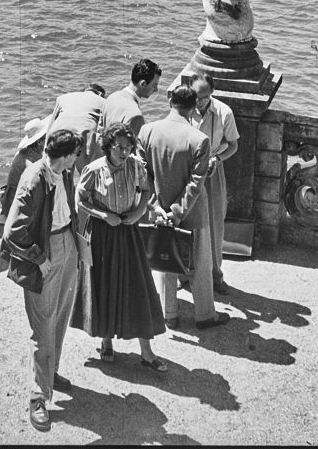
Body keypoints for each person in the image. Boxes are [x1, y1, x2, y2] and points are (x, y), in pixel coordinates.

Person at [0, 128, 82, 433]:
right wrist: (38, 257)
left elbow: (66, 210)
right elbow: (13, 232)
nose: (78, 159)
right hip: (45, 253)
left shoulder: (63, 173)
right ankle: (38, 396)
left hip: (66, 246)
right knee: (43, 326)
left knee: (59, 316)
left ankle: (50, 373)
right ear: (65, 154)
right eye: (75, 154)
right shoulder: (35, 177)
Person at [71, 122, 166, 370]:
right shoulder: (93, 170)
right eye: (119, 147)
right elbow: (80, 201)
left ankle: (146, 351)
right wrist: (103, 216)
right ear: (108, 146)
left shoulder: (136, 166)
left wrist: (139, 211)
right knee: (104, 285)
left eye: (128, 147)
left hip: (128, 230)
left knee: (138, 286)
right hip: (102, 233)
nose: (124, 152)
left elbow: (146, 191)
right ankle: (106, 341)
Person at [138, 85, 226, 330]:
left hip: (159, 211)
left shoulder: (147, 132)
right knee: (200, 263)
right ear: (193, 106)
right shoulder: (199, 139)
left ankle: (170, 314)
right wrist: (177, 213)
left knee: (164, 261)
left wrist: (158, 209)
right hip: (193, 213)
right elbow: (195, 184)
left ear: (170, 102)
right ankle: (205, 315)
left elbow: (142, 175)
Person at [171, 70, 239, 294]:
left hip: (212, 173)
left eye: (205, 96)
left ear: (212, 93)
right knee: (183, 222)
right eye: (197, 96)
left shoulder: (223, 112)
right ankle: (184, 274)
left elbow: (233, 145)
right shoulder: (182, 109)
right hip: (186, 172)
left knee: (214, 225)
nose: (200, 101)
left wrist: (216, 159)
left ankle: (215, 275)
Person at [0, 117, 50, 218]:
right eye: (47, 137)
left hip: (11, 202)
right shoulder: (31, 163)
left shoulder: (26, 153)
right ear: (39, 142)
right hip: (17, 209)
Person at [100, 59, 161, 138]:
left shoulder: (111, 97)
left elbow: (100, 133)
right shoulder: (136, 116)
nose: (156, 89)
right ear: (143, 84)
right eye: (154, 85)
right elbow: (131, 148)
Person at [50, 82, 105, 167]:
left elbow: (51, 122)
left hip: (58, 133)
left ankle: (67, 178)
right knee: (85, 170)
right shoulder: (103, 101)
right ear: (100, 94)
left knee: (60, 169)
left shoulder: (63, 98)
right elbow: (101, 127)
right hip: (83, 134)